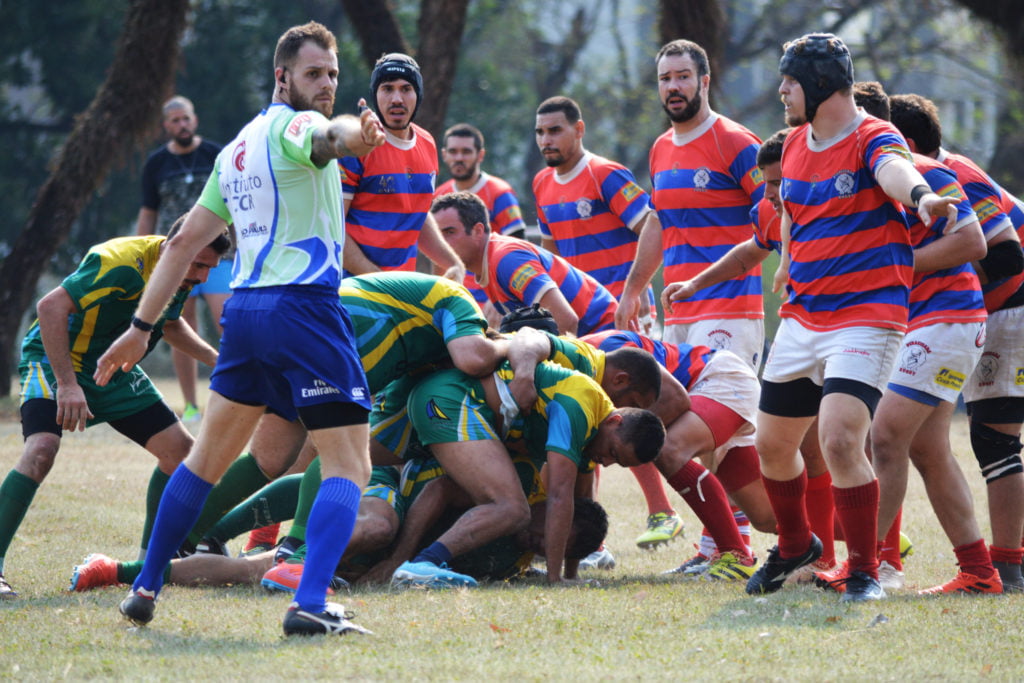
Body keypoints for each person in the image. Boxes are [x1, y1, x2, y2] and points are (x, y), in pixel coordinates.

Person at [94, 21, 387, 636]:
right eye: (314, 73)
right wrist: (355, 136)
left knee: (203, 463)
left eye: (333, 74)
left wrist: (141, 327)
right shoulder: (295, 126)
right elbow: (326, 135)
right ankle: (309, 602)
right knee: (349, 468)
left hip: (247, 315)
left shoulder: (234, 150)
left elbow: (180, 243)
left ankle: (146, 585)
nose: (328, 84)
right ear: (282, 76)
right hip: (303, 309)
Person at [743, 33, 959, 603]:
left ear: (817, 85)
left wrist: (921, 198)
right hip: (803, 315)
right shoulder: (792, 144)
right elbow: (791, 209)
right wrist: (788, 262)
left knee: (840, 440)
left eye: (790, 80)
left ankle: (864, 572)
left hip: (866, 316)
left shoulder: (872, 134)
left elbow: (893, 170)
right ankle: (796, 546)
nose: (782, 90)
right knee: (770, 444)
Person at [818, 82, 1000, 596]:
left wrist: (891, 267)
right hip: (926, 323)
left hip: (947, 320)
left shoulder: (924, 172)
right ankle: (979, 571)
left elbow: (973, 240)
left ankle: (865, 564)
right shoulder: (864, 184)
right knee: (928, 450)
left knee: (885, 438)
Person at [435, 191, 683, 556]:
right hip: (578, 342)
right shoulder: (484, 269)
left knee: (597, 435)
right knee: (580, 444)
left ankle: (648, 517)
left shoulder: (504, 259)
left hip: (595, 339)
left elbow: (563, 319)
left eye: (449, 232)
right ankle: (588, 541)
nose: (439, 243)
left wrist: (530, 371)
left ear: (478, 231)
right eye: (435, 233)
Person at [0, 222, 229, 599]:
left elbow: (169, 324)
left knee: (180, 455)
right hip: (55, 358)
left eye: (209, 268)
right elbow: (50, 306)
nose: (201, 276)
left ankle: (146, 563)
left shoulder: (177, 273)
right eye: (197, 264)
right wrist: (69, 384)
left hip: (113, 367)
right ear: (175, 246)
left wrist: (216, 360)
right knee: (41, 450)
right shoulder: (121, 263)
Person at [664, 128, 839, 578]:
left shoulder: (835, 205)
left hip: (847, 331)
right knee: (788, 447)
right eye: (766, 183)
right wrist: (695, 283)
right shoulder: (769, 209)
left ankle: (872, 553)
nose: (771, 194)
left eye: (779, 182)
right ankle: (819, 553)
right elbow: (750, 250)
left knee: (852, 445)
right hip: (798, 331)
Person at [888, 92, 1024, 592]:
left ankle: (1008, 566)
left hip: (1013, 308)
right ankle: (986, 565)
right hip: (982, 314)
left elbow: (1008, 258)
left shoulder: (953, 175)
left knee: (994, 439)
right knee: (926, 441)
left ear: (907, 144)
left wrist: (962, 315)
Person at [509, 327, 771, 582]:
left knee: (666, 449)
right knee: (765, 517)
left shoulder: (604, 350)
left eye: (633, 405)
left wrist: (627, 439)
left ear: (620, 379)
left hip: (717, 378)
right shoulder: (576, 378)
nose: (627, 411)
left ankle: (735, 555)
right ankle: (802, 546)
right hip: (715, 387)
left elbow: (678, 398)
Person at [391, 359, 665, 585]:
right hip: (449, 399)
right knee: (512, 509)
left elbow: (580, 506)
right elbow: (560, 496)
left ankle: (409, 562)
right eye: (613, 453)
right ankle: (421, 563)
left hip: (449, 400)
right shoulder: (580, 407)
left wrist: (571, 573)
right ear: (615, 421)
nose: (606, 461)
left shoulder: (592, 435)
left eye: (616, 463)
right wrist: (556, 579)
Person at [622, 39, 765, 370]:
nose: (673, 86)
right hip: (678, 315)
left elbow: (779, 214)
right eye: (665, 79)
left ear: (704, 81)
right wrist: (632, 292)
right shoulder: (660, 148)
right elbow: (658, 222)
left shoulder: (735, 141)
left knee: (721, 417)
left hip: (729, 313)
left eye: (683, 76)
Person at [137, 96, 229, 423]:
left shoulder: (216, 154)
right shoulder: (156, 163)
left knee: (227, 322)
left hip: (220, 255)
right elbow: (148, 214)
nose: (182, 125)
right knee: (179, 326)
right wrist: (141, 252)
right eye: (175, 121)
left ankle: (231, 395)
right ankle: (190, 405)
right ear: (166, 127)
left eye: (186, 119)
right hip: (174, 258)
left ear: (195, 120)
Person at [532, 96, 658, 326]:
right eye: (540, 132)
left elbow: (654, 229)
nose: (545, 140)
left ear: (579, 129)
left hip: (623, 310)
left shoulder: (604, 174)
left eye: (554, 131)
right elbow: (552, 256)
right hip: (580, 314)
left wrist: (638, 290)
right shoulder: (541, 183)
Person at [340, 53, 463, 280]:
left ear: (418, 95)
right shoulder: (356, 144)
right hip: (354, 290)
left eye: (406, 89)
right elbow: (333, 229)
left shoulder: (427, 144)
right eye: (387, 88)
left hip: (401, 289)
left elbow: (417, 213)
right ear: (375, 95)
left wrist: (454, 263)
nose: (397, 98)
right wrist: (380, 282)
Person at [437, 123, 525, 238]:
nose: (459, 158)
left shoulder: (500, 194)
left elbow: (518, 243)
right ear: (444, 155)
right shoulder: (439, 196)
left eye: (466, 152)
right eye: (453, 152)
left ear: (480, 155)